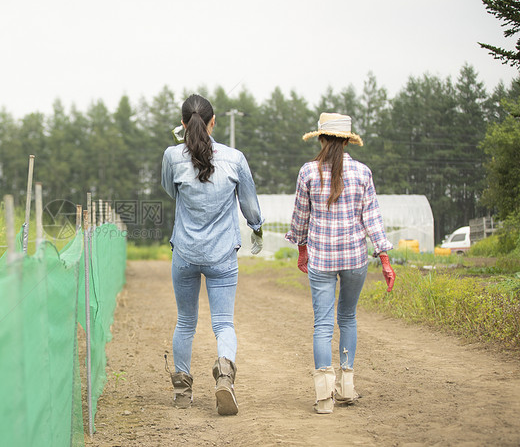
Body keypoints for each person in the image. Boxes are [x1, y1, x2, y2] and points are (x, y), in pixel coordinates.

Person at [285, 112, 396, 414]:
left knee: (322, 324)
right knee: (347, 317)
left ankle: (324, 397)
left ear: (321, 138)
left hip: (321, 258)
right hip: (354, 258)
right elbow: (372, 219)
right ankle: (346, 387)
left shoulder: (308, 172)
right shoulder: (362, 173)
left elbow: (300, 219)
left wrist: (302, 250)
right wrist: (384, 260)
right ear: (347, 141)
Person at [161, 94, 264, 416]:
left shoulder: (171, 156)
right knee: (223, 323)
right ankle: (225, 377)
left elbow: (169, 189)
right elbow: (249, 202)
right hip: (222, 254)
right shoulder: (234, 158)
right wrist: (256, 227)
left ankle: (181, 391)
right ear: (213, 120)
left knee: (186, 321)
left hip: (186, 252)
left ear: (182, 123)